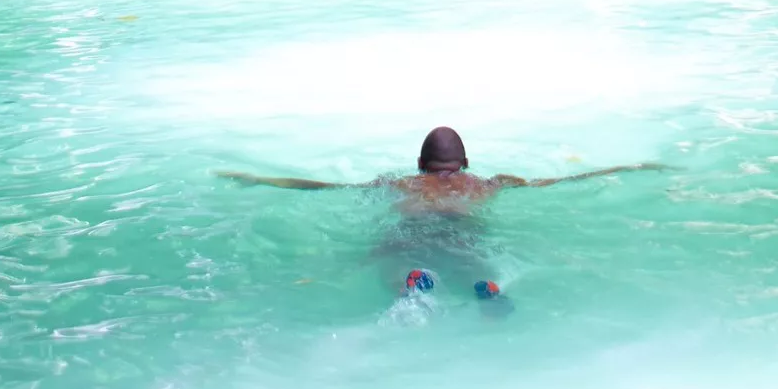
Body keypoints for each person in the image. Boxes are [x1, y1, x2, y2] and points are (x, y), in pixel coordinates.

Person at [223, 127, 656, 302]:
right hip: (464, 233)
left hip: (409, 233)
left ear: (419, 162)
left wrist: (260, 179)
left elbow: (327, 188)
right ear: (465, 162)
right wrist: (626, 167)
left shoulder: (402, 183)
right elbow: (559, 183)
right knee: (476, 261)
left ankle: (409, 283)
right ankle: (486, 285)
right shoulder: (488, 183)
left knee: (386, 264)